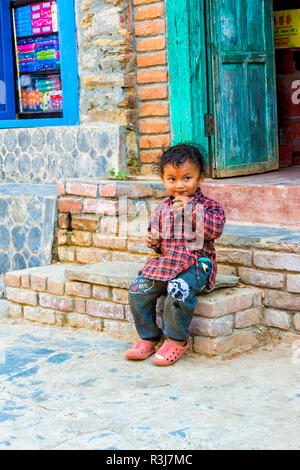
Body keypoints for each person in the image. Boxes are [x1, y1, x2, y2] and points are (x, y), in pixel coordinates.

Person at [125, 143, 226, 366]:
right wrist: (154, 241)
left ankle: (176, 340)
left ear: (200, 179)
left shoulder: (210, 207)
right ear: (163, 180)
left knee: (177, 289)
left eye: (187, 178)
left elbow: (214, 230)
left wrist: (192, 211)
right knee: (137, 290)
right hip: (168, 263)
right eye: (172, 179)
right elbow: (157, 244)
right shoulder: (161, 210)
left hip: (197, 265)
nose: (179, 185)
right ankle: (149, 336)